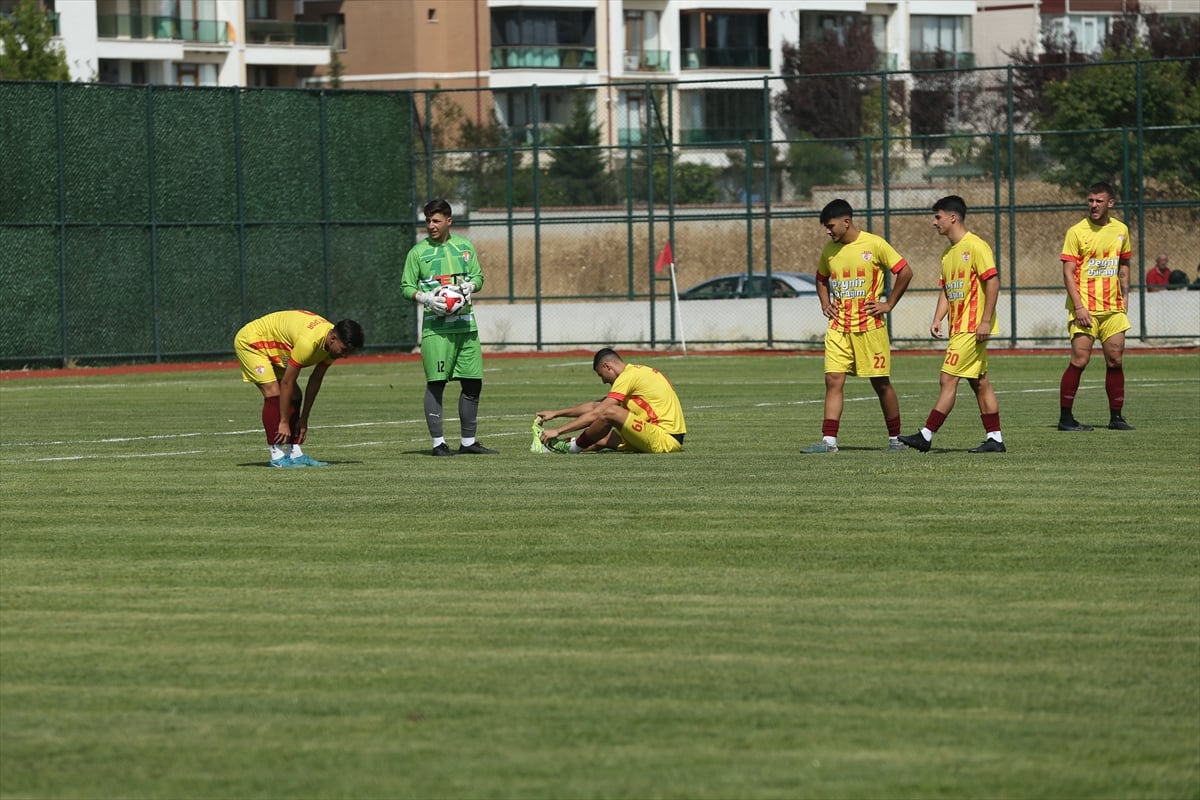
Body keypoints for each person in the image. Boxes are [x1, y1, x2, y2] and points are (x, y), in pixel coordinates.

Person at [801, 198, 913, 453]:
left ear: (846, 221)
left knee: (880, 383)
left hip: (870, 327)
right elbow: (820, 279)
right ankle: (829, 441)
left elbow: (905, 271)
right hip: (839, 327)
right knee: (833, 380)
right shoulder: (829, 250)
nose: (827, 231)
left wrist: (888, 304)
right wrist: (825, 303)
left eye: (830, 226)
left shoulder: (874, 244)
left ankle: (896, 438)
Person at [898, 196, 1006, 454]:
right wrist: (938, 318)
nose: (934, 222)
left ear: (953, 217)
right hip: (959, 327)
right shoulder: (948, 254)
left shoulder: (976, 246)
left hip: (972, 327)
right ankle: (995, 438)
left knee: (947, 378)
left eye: (938, 217)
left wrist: (985, 320)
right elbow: (947, 290)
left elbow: (992, 282)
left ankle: (926, 435)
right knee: (979, 382)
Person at [402, 199, 497, 456]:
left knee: (473, 383)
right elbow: (406, 287)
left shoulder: (465, 247)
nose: (431, 225)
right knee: (437, 383)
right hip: (436, 330)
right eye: (428, 221)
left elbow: (478, 277)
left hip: (466, 327)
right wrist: (426, 298)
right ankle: (438, 444)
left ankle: (468, 442)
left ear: (449, 221)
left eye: (436, 221)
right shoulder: (417, 253)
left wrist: (470, 286)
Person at [233, 310, 364, 468]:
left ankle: (294, 453)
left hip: (277, 347)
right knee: (273, 392)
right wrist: (284, 421)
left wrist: (304, 419)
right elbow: (287, 382)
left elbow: (315, 380)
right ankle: (277, 456)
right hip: (252, 342)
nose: (345, 356)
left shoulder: (331, 345)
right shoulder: (308, 343)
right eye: (344, 350)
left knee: (295, 395)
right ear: (333, 339)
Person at [1057, 181, 1134, 432]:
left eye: (1099, 201)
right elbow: (1068, 272)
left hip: (1113, 309)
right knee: (1080, 360)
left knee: (1115, 359)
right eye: (1090, 200)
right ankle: (1066, 419)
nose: (1094, 205)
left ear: (1110, 203)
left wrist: (1125, 296)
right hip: (1085, 309)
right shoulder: (1076, 232)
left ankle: (1116, 417)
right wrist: (1079, 307)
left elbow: (1124, 263)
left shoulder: (1121, 230)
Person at [534, 348, 686, 454]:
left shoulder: (628, 376)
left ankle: (574, 447)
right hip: (654, 433)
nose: (603, 381)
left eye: (601, 375)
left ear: (607, 366)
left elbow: (600, 412)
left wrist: (558, 430)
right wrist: (557, 413)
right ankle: (553, 448)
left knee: (611, 411)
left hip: (664, 438)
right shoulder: (636, 372)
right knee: (599, 439)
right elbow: (597, 406)